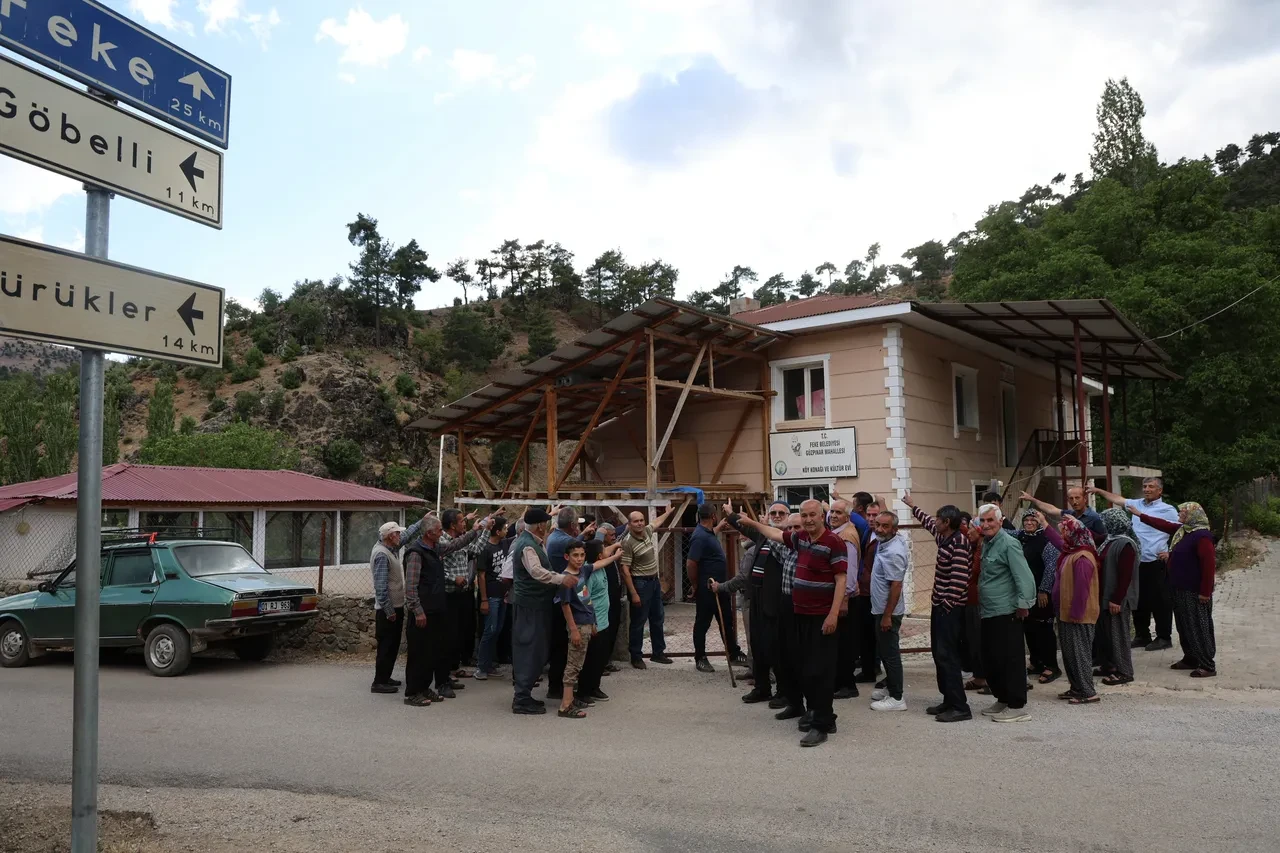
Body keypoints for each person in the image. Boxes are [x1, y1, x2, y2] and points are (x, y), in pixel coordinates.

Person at [736, 500, 847, 748]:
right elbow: (776, 533)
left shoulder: (833, 542)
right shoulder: (801, 539)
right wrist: (752, 523)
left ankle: (821, 724)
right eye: (804, 516)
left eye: (812, 516)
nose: (808, 520)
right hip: (800, 614)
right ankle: (823, 717)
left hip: (821, 616)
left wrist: (833, 614)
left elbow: (841, 580)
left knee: (820, 671)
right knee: (805, 667)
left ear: (822, 516)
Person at [402, 513, 488, 707]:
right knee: (419, 653)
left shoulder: (435, 548)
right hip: (423, 612)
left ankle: (424, 688)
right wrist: (418, 611)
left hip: (436, 609)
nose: (443, 533)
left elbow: (456, 544)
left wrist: (476, 531)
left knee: (432, 651)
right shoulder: (416, 553)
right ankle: (413, 691)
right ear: (430, 533)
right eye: (440, 530)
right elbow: (411, 587)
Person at [902, 493, 972, 722]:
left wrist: (947, 604)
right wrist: (913, 506)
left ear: (948, 523)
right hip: (940, 605)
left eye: (939, 519)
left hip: (949, 608)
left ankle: (960, 707)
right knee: (939, 654)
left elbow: (960, 579)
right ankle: (949, 699)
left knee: (947, 655)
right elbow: (928, 523)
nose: (935, 521)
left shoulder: (959, 542)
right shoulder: (944, 537)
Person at [1128, 502, 1217, 677]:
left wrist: (1205, 592)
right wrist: (1140, 515)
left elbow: (1208, 566)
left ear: (1193, 515)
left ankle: (1207, 664)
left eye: (1183, 512)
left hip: (1194, 592)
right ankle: (1191, 657)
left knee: (1198, 626)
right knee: (1184, 626)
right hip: (1179, 589)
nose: (1179, 514)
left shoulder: (1202, 536)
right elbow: (1163, 524)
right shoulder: (1183, 531)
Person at [1089, 480, 1179, 651]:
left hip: (1155, 561)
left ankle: (1163, 636)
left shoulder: (1168, 510)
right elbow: (1117, 499)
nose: (1146, 490)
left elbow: (1179, 530)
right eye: (1145, 487)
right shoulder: (1136, 504)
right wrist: (1098, 490)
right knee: (1137, 599)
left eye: (1151, 487)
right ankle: (1142, 635)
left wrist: (1170, 552)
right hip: (1137, 560)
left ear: (1160, 491)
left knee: (1160, 600)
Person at [719, 501, 790, 703]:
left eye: (781, 513)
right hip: (756, 598)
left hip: (776, 600)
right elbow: (744, 527)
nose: (777, 516)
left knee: (775, 648)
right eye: (773, 512)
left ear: (788, 516)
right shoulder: (763, 535)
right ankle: (762, 688)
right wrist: (731, 515)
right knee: (757, 645)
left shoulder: (790, 538)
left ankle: (783, 692)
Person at [510, 508, 579, 715]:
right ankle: (521, 698)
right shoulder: (527, 546)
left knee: (537, 649)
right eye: (546, 522)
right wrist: (560, 578)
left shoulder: (533, 541)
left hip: (536, 604)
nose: (549, 526)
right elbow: (536, 572)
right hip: (530, 606)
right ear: (540, 525)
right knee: (529, 649)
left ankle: (525, 694)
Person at [975, 504, 1036, 723]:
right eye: (982, 521)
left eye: (990, 520)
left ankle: (1017, 705)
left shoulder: (1009, 544)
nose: (986, 525)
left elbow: (1024, 577)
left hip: (1007, 611)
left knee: (1010, 659)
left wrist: (1024, 604)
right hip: (989, 611)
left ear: (1001, 521)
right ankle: (1002, 698)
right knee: (992, 659)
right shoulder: (988, 543)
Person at [553, 540, 621, 718]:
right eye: (575, 555)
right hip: (578, 626)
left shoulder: (583, 571)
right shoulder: (567, 578)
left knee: (578, 663)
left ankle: (570, 700)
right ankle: (565, 705)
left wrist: (615, 556)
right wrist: (574, 629)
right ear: (567, 557)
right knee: (573, 665)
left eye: (582, 555)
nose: (579, 559)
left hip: (586, 623)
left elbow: (599, 563)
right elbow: (565, 606)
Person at [1039, 513, 1101, 705]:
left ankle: (1087, 692)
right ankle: (1076, 687)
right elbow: (1058, 542)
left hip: (1078, 616)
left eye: (1066, 532)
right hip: (1067, 614)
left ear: (1074, 534)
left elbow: (1082, 591)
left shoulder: (1083, 557)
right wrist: (1045, 525)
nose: (1063, 536)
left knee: (1079, 653)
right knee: (1069, 654)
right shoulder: (1071, 551)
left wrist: (1075, 614)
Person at [546, 509, 598, 701]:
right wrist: (594, 536)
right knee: (566, 647)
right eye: (577, 524)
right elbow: (583, 549)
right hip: (566, 594)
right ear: (572, 525)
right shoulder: (566, 542)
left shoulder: (556, 537)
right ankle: (562, 691)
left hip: (562, 593)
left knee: (560, 646)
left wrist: (583, 534)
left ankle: (557, 686)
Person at [621, 502, 681, 669]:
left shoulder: (646, 531)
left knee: (657, 618)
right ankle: (636, 656)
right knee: (638, 621)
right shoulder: (628, 542)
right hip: (640, 583)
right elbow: (625, 570)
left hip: (654, 582)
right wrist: (633, 593)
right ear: (629, 524)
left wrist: (668, 513)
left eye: (641, 520)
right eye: (636, 521)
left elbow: (656, 523)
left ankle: (658, 653)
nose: (640, 523)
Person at [368, 516, 424, 694]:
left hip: (394, 606)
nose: (400, 535)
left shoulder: (390, 548)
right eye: (397, 533)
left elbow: (407, 536)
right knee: (386, 645)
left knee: (392, 645)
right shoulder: (382, 555)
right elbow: (381, 587)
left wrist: (422, 522)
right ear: (391, 536)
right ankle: (379, 682)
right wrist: (389, 610)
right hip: (388, 609)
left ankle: (385, 677)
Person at [687, 504, 739, 672]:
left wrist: (718, 527)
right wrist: (695, 585)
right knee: (703, 623)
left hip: (720, 587)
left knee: (726, 620)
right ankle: (700, 658)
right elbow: (691, 563)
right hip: (708, 588)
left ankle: (734, 653)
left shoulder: (707, 533)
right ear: (713, 516)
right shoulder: (699, 537)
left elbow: (709, 540)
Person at [868, 511, 908, 712]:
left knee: (890, 654)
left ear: (895, 529)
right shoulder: (886, 542)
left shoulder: (894, 552)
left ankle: (897, 697)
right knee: (884, 651)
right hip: (880, 609)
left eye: (885, 526)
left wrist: (887, 616)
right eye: (878, 525)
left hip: (888, 612)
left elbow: (896, 586)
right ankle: (891, 687)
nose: (880, 529)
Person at [576, 538, 625, 704]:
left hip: (604, 620)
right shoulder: (588, 572)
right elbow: (583, 596)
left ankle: (594, 687)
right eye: (604, 550)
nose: (607, 552)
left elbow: (608, 554)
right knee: (590, 659)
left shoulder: (601, 566)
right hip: (594, 621)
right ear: (598, 555)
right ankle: (583, 691)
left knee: (601, 658)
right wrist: (591, 621)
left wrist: (616, 549)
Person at [1014, 510, 1060, 685]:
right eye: (1026, 520)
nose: (1029, 523)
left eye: (1033, 520)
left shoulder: (1046, 541)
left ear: (1039, 522)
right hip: (1026, 593)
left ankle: (1052, 666)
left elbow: (1050, 567)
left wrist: (1043, 589)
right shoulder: (1020, 538)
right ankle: (1036, 662)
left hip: (1042, 593)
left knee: (1044, 631)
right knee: (1030, 628)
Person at [1095, 508, 1139, 685]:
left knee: (1119, 634)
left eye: (1105, 521)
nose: (1103, 525)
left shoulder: (1125, 544)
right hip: (1107, 596)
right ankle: (1110, 666)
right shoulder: (1109, 540)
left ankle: (1125, 671)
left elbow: (1125, 575)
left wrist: (1117, 599)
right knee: (1108, 635)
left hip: (1117, 599)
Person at [439, 509, 484, 682]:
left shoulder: (461, 540)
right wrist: (452, 578)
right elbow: (436, 570)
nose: (465, 523)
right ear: (452, 525)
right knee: (448, 635)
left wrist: (485, 530)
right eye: (462, 521)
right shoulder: (442, 542)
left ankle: (454, 667)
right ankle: (446, 673)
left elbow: (477, 548)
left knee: (459, 633)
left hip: (462, 595)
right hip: (448, 595)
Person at [826, 499, 863, 700]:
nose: (833, 515)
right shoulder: (840, 532)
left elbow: (849, 572)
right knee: (839, 643)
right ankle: (840, 682)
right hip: (841, 596)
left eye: (838, 512)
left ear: (847, 516)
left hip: (845, 598)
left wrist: (843, 600)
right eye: (831, 511)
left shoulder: (847, 536)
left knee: (844, 644)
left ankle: (847, 685)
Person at [474, 516, 510, 681]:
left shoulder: (504, 544)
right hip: (491, 596)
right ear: (497, 531)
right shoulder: (485, 549)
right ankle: (481, 666)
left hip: (502, 595)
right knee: (489, 630)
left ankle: (489, 664)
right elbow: (481, 575)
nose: (507, 530)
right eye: (505, 528)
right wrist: (484, 599)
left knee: (497, 630)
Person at [958, 512, 987, 692]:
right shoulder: (974, 544)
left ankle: (985, 676)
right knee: (973, 640)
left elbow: (977, 572)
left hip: (979, 600)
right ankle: (979, 676)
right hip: (970, 599)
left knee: (980, 640)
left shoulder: (982, 548)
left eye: (970, 528)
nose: (967, 532)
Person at [1021, 487, 1107, 544]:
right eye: (1071, 498)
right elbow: (1051, 509)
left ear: (1084, 499)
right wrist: (1031, 499)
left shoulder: (1094, 517)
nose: (1074, 501)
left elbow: (1104, 539)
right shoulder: (1071, 513)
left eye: (1077, 498)